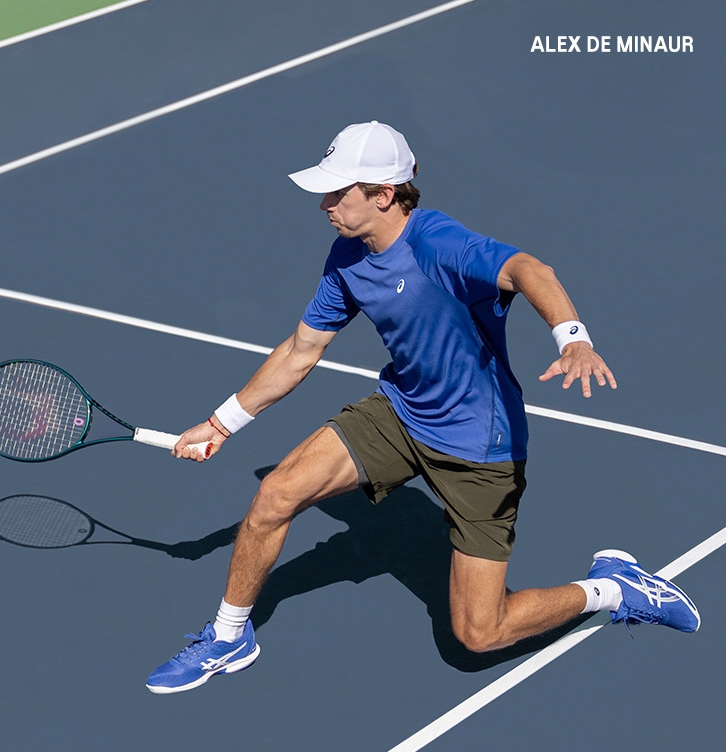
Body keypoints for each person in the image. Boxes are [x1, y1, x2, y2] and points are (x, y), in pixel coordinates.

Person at [146, 121, 700, 694]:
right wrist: (221, 424)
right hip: (401, 411)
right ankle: (230, 635)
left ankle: (614, 588)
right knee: (275, 494)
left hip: (479, 446)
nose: (324, 203)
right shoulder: (346, 257)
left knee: (480, 634)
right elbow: (299, 351)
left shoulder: (439, 243)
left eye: (338, 192)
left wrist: (573, 338)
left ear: (384, 195)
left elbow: (530, 270)